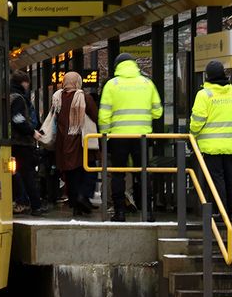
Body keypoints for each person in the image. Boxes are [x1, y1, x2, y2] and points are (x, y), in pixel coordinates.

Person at [98, 53, 163, 222]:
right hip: (141, 136)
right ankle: (147, 212)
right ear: (135, 65)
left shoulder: (112, 85)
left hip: (118, 137)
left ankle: (120, 212)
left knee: (118, 174)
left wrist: (105, 136)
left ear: (117, 66)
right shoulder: (147, 83)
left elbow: (104, 115)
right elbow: (158, 111)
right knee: (143, 173)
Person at [189, 59, 232, 221]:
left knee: (216, 180)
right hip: (230, 145)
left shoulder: (204, 95)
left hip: (210, 147)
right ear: (224, 73)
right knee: (231, 179)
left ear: (207, 76)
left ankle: (220, 212)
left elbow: (197, 121)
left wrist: (192, 135)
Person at [53, 71, 98, 218]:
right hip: (81, 142)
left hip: (62, 143)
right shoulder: (84, 97)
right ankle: (82, 197)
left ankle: (75, 204)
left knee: (71, 175)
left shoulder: (57, 98)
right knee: (87, 169)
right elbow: (95, 116)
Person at [10, 71, 46, 216]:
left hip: (12, 142)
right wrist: (32, 132)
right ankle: (35, 205)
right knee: (28, 174)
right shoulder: (18, 98)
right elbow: (18, 119)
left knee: (16, 173)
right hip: (22, 143)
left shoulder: (8, 96)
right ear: (23, 82)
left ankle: (21, 201)